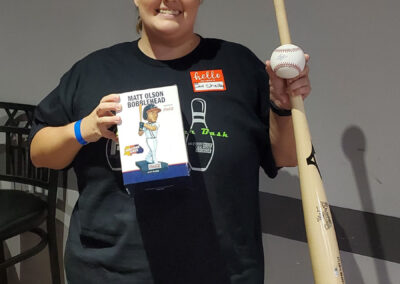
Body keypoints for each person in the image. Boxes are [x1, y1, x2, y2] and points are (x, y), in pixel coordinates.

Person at [29, 0, 311, 283]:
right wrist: (83, 129)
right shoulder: (93, 71)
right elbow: (39, 153)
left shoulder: (238, 66)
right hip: (110, 273)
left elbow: (285, 156)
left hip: (221, 272)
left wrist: (283, 106)